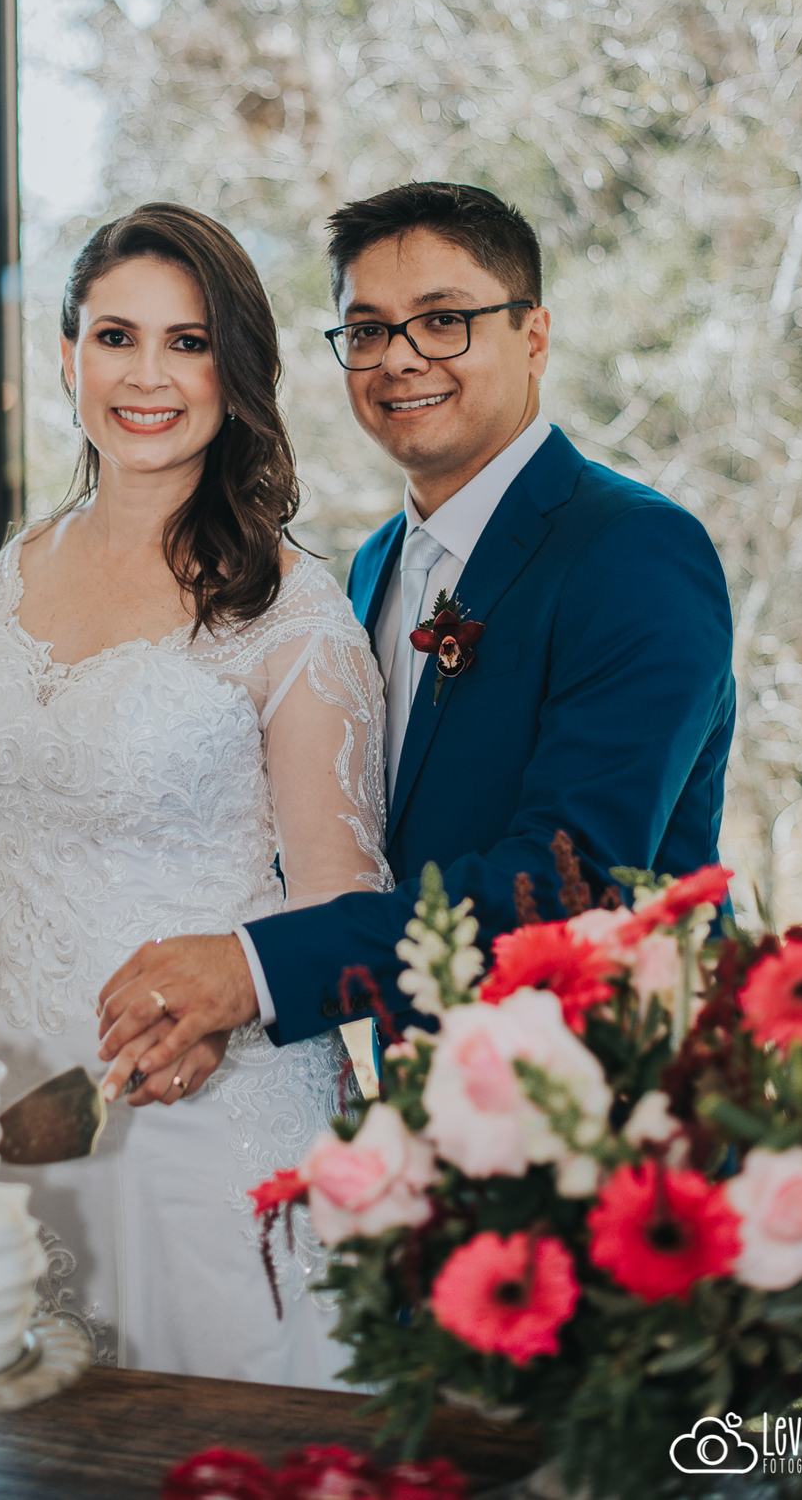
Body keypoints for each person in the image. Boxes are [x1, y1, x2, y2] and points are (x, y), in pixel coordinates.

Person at [97, 181, 736, 1082]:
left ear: (534, 337)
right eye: (367, 330)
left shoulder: (635, 551)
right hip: (426, 1096)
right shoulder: (371, 567)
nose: (399, 358)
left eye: (443, 322)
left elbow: (575, 879)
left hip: (614, 1100)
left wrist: (255, 974)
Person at [0, 202, 390, 1385]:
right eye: (116, 337)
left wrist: (227, 1005)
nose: (147, 376)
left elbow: (345, 907)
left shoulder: (293, 612)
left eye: (187, 343)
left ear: (234, 375)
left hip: (195, 1110)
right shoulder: (16, 567)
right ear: (69, 356)